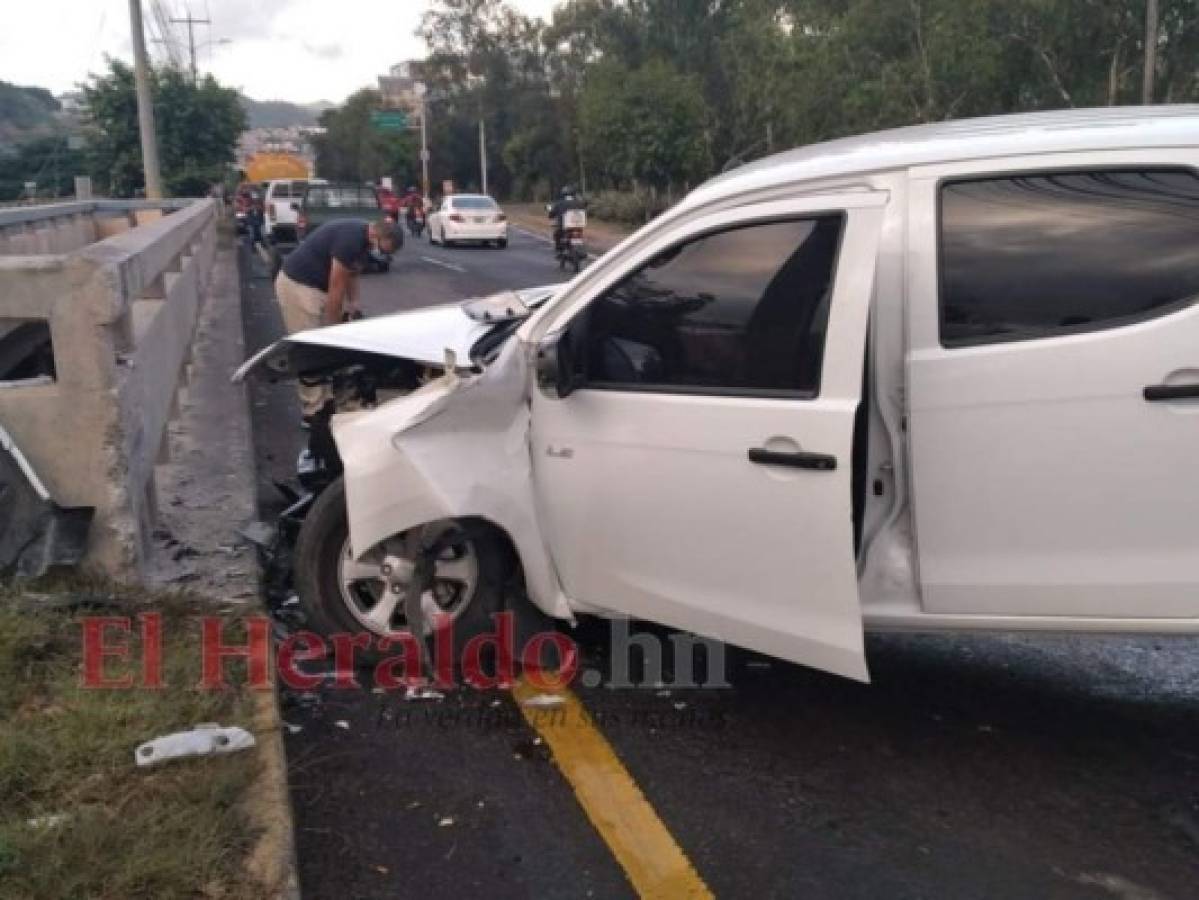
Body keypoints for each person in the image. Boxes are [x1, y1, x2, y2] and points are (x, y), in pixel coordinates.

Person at [275, 217, 400, 417]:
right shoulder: (350, 240)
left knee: (329, 352)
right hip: (298, 286)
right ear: (377, 236)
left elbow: (352, 274)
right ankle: (313, 410)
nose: (383, 255)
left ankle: (333, 400)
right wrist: (335, 330)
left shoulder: (365, 243)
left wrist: (354, 304)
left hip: (318, 287)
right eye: (384, 250)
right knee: (310, 348)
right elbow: (336, 287)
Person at [548, 185, 586, 251]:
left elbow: (552, 213)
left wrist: (551, 215)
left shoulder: (559, 203)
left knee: (557, 234)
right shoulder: (579, 202)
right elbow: (584, 209)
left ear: (563, 194)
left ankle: (559, 248)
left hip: (564, 226)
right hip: (577, 225)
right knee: (579, 235)